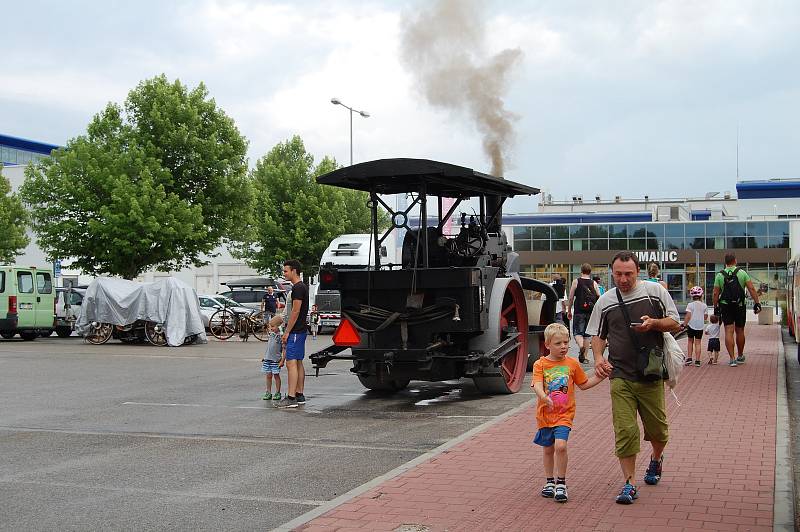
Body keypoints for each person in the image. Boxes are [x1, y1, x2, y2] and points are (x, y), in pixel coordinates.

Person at [586, 251, 680, 504]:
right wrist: (597, 358)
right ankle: (629, 483)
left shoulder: (655, 292)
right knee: (626, 430)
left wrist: (654, 324)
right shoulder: (605, 301)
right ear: (612, 273)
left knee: (658, 431)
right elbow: (597, 335)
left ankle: (656, 459)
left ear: (637, 271)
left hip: (650, 374)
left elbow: (675, 322)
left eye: (628, 274)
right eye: (618, 274)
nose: (623, 279)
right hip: (620, 375)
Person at [532, 322, 606, 503]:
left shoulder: (572, 364)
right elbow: (537, 384)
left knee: (561, 446)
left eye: (566, 342)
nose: (564, 346)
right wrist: (544, 397)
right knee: (548, 449)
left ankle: (561, 483)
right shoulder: (540, 364)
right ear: (547, 344)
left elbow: (583, 384)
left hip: (565, 414)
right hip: (545, 415)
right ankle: (549, 481)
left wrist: (600, 376)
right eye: (558, 343)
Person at [711, 253, 761, 366]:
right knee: (740, 331)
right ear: (735, 261)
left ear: (725, 262)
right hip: (739, 305)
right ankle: (740, 355)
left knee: (728, 331)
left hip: (725, 305)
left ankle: (732, 359)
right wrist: (757, 303)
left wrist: (715, 307)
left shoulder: (719, 275)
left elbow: (715, 293)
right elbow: (751, 288)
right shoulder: (742, 273)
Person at [275, 259, 310, 409]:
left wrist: (287, 332)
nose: (284, 273)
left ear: (294, 271)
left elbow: (295, 311)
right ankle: (299, 394)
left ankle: (291, 397)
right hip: (301, 331)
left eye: (285, 271)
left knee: (291, 363)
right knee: (298, 362)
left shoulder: (297, 288)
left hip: (295, 331)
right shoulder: (303, 287)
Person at [567, 263, 600, 363]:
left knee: (577, 332)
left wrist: (569, 310)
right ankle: (584, 357)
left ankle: (581, 346)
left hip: (579, 310)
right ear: (590, 272)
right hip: (590, 311)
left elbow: (571, 297)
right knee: (587, 334)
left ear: (581, 271)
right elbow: (598, 295)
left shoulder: (576, 281)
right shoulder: (593, 283)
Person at [681, 286, 708, 366]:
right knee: (698, 343)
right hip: (700, 326)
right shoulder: (704, 305)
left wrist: (684, 324)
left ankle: (689, 358)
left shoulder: (690, 305)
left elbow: (688, 316)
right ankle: (697, 361)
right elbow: (705, 317)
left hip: (691, 325)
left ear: (692, 296)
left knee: (690, 341)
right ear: (701, 295)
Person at [260, 323, 282, 401]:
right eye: (270, 327)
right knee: (268, 376)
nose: (271, 328)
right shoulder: (271, 335)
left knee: (276, 376)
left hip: (275, 360)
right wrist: (265, 356)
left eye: (273, 326)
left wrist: (282, 360)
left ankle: (278, 392)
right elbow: (269, 347)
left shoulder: (280, 336)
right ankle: (268, 392)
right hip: (267, 359)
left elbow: (283, 348)